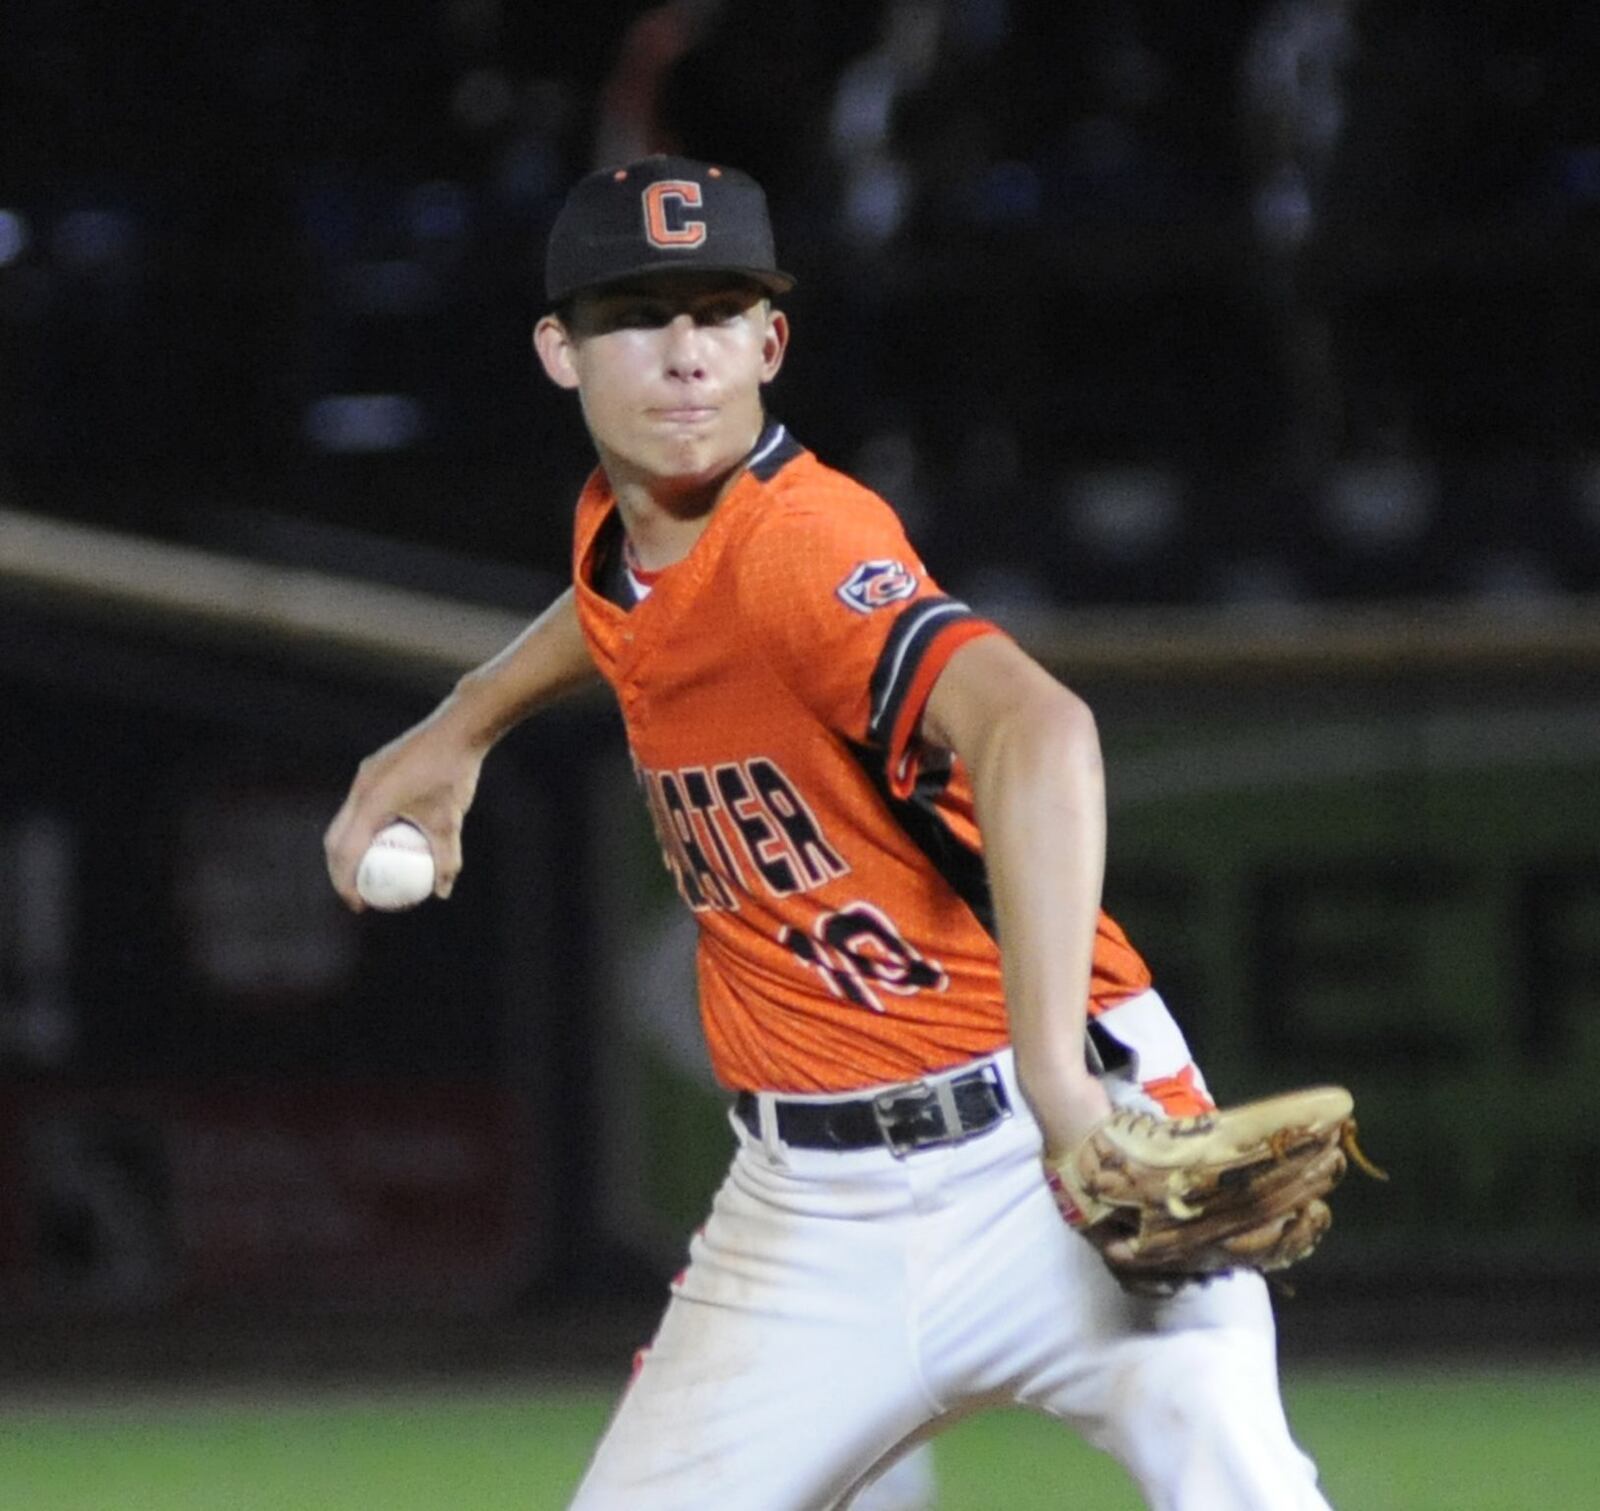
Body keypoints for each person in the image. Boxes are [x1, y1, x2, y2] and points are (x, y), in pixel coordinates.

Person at [326, 154, 1331, 1510]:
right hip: (803, 1220)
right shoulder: (625, 539)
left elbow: (1041, 733)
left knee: (1243, 1488)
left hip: (1052, 1150)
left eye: (718, 311)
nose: (682, 357)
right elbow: (628, 606)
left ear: (770, 343)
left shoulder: (803, 548)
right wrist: (464, 719)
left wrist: (1060, 1090)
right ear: (561, 354)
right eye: (636, 317)